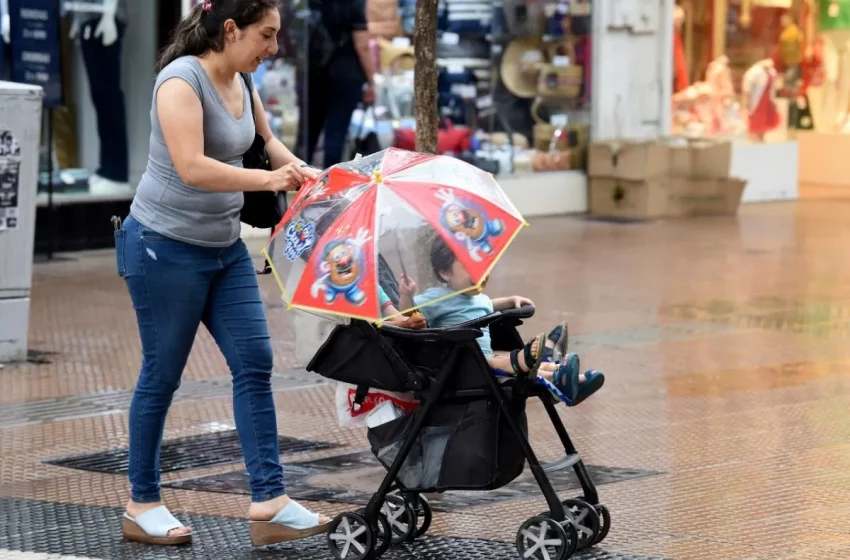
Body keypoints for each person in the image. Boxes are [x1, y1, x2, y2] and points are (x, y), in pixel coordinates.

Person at [114, 0, 330, 548]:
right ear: (230, 29)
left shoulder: (244, 80)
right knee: (162, 376)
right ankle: (142, 505)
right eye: (266, 35)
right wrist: (271, 182)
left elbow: (266, 146)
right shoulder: (179, 82)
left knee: (255, 362)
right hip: (163, 248)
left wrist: (307, 175)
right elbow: (192, 167)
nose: (273, 48)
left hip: (222, 248)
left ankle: (270, 501)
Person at [413, 236, 605, 405]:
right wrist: (407, 295)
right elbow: (405, 315)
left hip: (484, 355)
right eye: (468, 266)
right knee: (506, 361)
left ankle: (564, 377)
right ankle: (549, 366)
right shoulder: (436, 298)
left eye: (481, 265)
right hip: (461, 363)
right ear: (445, 273)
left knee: (503, 357)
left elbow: (488, 305)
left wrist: (510, 301)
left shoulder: (476, 298)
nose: (480, 272)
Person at [297, 0, 376, 167]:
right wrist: (372, 81)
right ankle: (330, 184)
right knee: (336, 134)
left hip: (314, 70)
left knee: (308, 133)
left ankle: (299, 181)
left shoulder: (311, 3)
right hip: (346, 73)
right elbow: (362, 45)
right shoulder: (354, 4)